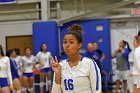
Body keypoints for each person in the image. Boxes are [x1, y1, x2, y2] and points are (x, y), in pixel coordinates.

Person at [51, 24, 101, 93]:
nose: (67, 45)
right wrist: (57, 74)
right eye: (65, 42)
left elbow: (97, 90)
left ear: (79, 45)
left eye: (71, 42)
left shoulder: (89, 63)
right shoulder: (60, 66)